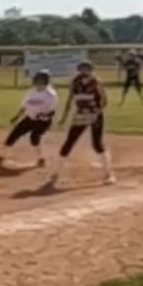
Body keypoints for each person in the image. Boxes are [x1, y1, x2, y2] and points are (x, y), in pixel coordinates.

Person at [43, 61, 114, 190]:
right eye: (82, 69)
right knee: (69, 142)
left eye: (87, 69)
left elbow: (104, 100)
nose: (84, 71)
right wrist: (64, 117)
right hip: (81, 115)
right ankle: (56, 173)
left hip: (95, 115)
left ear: (91, 70)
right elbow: (70, 100)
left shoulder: (96, 82)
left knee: (97, 144)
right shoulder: (75, 82)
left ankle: (109, 174)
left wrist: (97, 112)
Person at [0, 70, 57, 172]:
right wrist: (17, 116)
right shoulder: (31, 91)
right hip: (29, 118)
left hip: (43, 122)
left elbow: (52, 112)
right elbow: (24, 106)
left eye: (40, 79)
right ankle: (1, 156)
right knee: (13, 135)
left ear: (45, 81)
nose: (37, 81)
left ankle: (41, 158)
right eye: (37, 78)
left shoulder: (50, 94)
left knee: (34, 137)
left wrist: (43, 115)